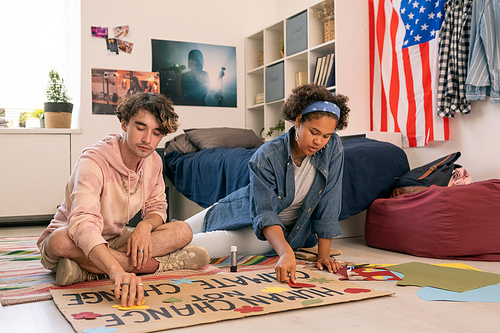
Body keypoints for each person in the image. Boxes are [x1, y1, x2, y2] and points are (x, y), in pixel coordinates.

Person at [37, 92, 210, 307]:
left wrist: (144, 227)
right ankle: (155, 265)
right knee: (58, 241)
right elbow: (82, 224)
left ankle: (84, 270)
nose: (148, 139)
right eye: (140, 127)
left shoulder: (154, 161)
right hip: (75, 237)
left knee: (183, 230)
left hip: (115, 238)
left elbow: (157, 207)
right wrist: (117, 271)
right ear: (124, 123)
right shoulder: (93, 161)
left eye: (156, 133)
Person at [185, 83, 350, 283]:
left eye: (326, 135)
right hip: (242, 210)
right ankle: (136, 237)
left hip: (271, 235)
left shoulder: (333, 148)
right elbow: (264, 211)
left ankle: (145, 249)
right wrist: (286, 254)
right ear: (298, 121)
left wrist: (322, 256)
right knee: (179, 231)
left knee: (192, 245)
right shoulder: (267, 154)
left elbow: (329, 201)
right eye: (314, 132)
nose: (319, 142)